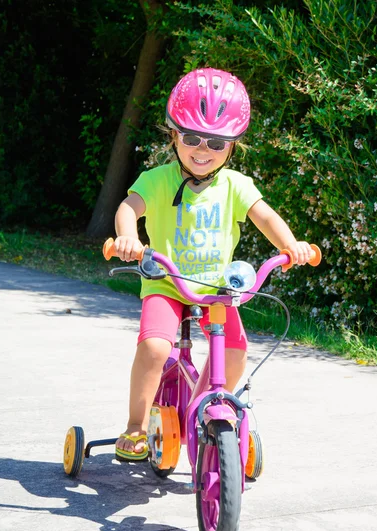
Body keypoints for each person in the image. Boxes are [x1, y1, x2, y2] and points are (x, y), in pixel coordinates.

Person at [112, 67, 313, 461]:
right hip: (166, 283)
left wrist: (292, 245)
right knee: (154, 347)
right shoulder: (156, 180)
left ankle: (202, 407)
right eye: (191, 138)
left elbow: (266, 217)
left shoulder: (236, 185)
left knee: (237, 351)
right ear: (174, 135)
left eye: (217, 143)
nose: (203, 149)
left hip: (216, 289)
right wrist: (128, 237)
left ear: (233, 147)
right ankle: (135, 426)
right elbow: (128, 207)